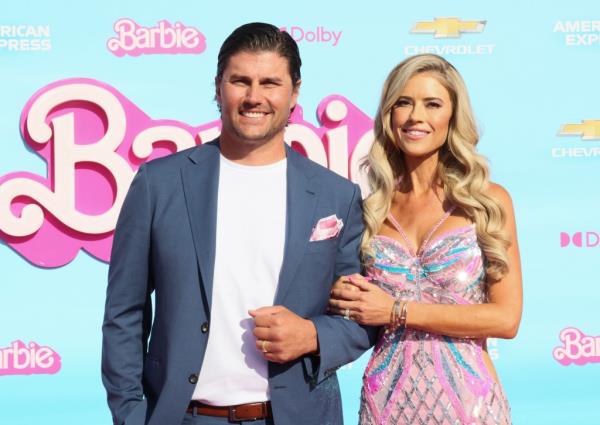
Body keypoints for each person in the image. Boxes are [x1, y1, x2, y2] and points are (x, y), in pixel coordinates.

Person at [102, 22, 376, 425]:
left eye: (270, 82)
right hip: (185, 416)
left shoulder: (337, 196)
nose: (254, 97)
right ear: (218, 87)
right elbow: (124, 312)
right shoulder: (159, 184)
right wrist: (130, 413)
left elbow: (360, 315)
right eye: (240, 81)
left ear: (295, 92)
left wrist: (313, 336)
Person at [329, 54, 522, 424]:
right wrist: (344, 297)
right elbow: (351, 304)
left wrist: (397, 311)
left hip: (470, 404)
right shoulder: (369, 211)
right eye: (404, 102)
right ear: (390, 115)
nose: (416, 115)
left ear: (452, 116)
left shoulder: (487, 202)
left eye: (432, 104)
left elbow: (506, 318)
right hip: (386, 402)